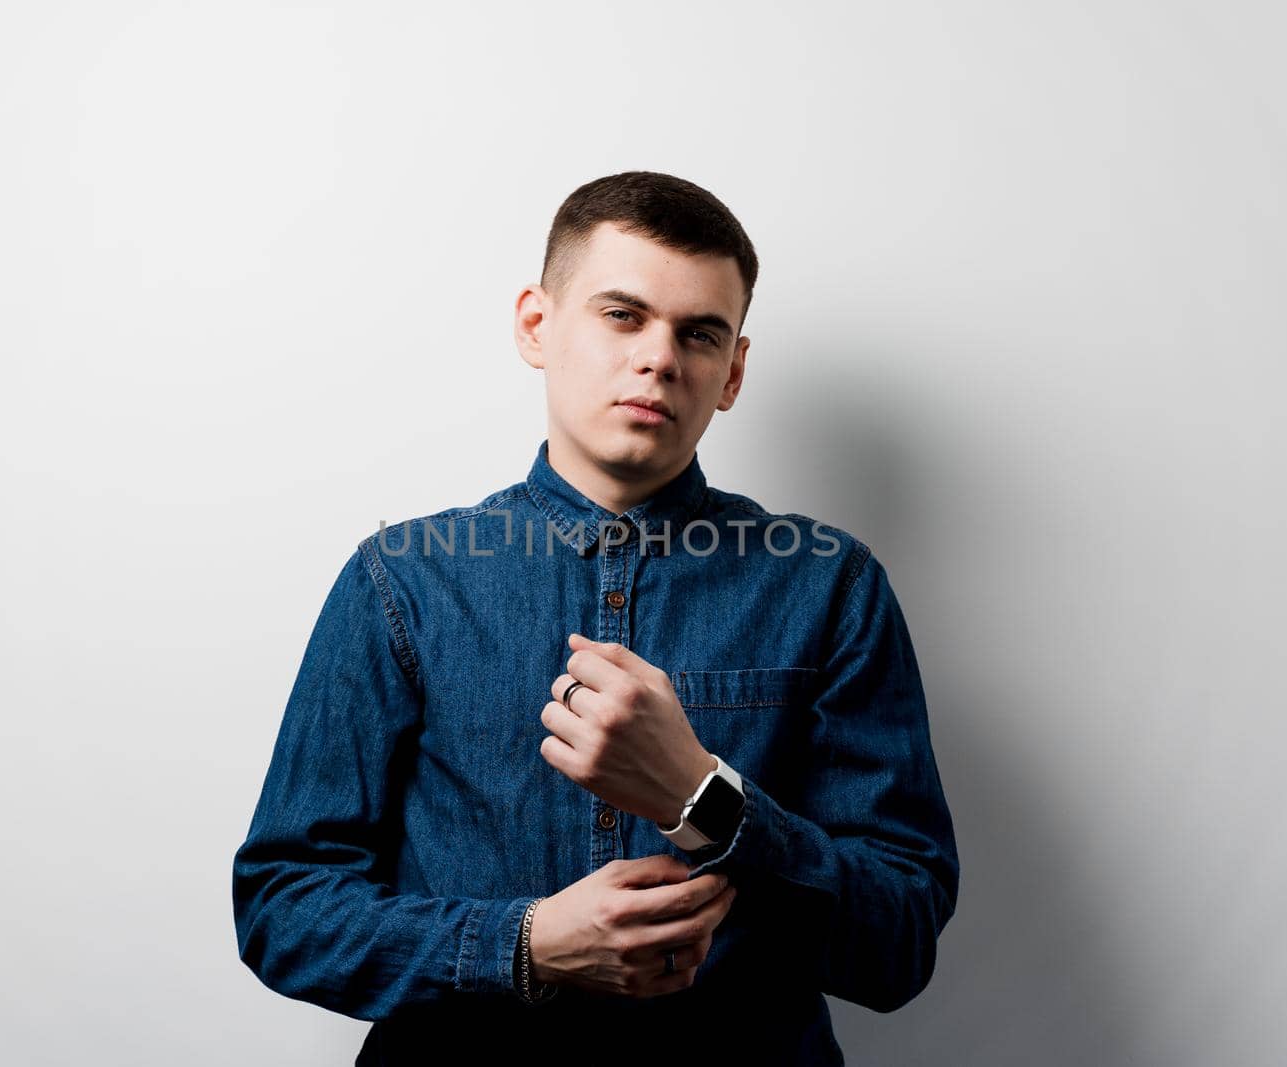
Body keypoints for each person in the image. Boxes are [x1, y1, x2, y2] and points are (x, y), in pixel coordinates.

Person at [231, 171, 960, 1065]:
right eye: (622, 315)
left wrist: (702, 800)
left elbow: (898, 942)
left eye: (700, 333)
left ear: (731, 371)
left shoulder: (829, 587)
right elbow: (285, 907)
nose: (659, 358)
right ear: (538, 326)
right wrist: (526, 945)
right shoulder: (404, 580)